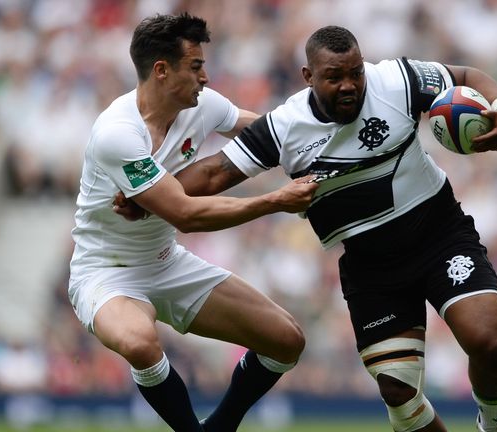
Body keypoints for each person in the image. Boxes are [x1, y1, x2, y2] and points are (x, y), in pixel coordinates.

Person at [117, 25, 497, 432]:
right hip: (371, 268)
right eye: (334, 77)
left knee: (489, 342)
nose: (349, 85)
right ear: (309, 77)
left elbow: (465, 76)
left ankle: (492, 422)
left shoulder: (396, 80)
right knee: (398, 392)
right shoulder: (285, 126)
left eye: (355, 73)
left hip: (439, 235)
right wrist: (149, 196)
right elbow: (214, 173)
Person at [68, 13, 319, 432]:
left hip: (166, 262)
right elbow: (186, 213)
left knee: (286, 340)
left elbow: (269, 132)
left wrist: (325, 138)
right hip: (104, 273)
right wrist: (276, 201)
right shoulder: (117, 133)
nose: (206, 76)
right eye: (196, 66)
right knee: (138, 341)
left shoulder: (204, 105)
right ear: (162, 71)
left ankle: (219, 427)